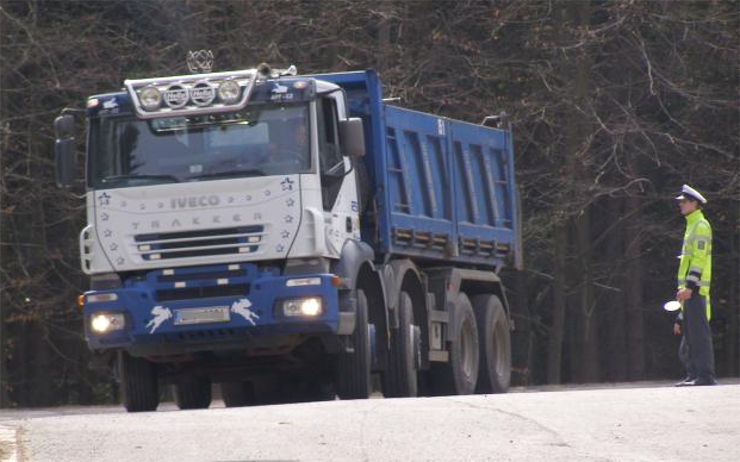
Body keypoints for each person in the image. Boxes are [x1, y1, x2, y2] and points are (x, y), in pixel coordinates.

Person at [672, 184, 717, 387]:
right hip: (689, 291)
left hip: (696, 290)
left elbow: (698, 260)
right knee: (691, 336)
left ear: (694, 203)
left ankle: (705, 376)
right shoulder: (691, 224)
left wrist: (690, 287)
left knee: (699, 336)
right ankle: (694, 374)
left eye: (683, 201)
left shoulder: (700, 225)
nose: (680, 205)